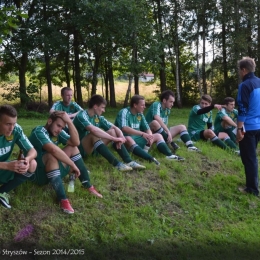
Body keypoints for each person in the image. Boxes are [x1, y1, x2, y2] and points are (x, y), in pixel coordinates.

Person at [29, 111, 102, 215]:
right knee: (51, 156)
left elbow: (76, 142)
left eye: (62, 127)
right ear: (49, 121)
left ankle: (88, 186)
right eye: (58, 125)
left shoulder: (57, 132)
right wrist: (72, 164)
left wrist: (69, 122)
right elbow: (54, 150)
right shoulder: (39, 132)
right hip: (36, 174)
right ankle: (62, 199)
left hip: (51, 171)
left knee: (73, 148)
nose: (59, 130)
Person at [73, 95, 145, 171]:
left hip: (91, 148)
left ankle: (129, 161)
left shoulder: (97, 117)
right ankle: (117, 164)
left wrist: (121, 136)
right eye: (102, 107)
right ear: (95, 106)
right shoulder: (81, 116)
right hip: (79, 150)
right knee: (93, 134)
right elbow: (94, 130)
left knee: (112, 131)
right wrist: (114, 139)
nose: (104, 110)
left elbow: (115, 127)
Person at [115, 95, 184, 162]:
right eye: (142, 105)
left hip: (137, 138)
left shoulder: (140, 114)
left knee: (158, 135)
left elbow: (147, 128)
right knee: (129, 138)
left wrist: (150, 137)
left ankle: (169, 155)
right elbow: (124, 128)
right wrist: (142, 134)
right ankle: (146, 156)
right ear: (135, 105)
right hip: (125, 139)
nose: (144, 107)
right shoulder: (124, 112)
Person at [0, 105, 37, 209]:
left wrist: (27, 159)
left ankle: (2, 192)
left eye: (14, 123)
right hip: (4, 166)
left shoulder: (16, 129)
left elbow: (32, 151)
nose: (11, 128)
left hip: (3, 168)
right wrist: (6, 166)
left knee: (32, 164)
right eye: (8, 124)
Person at [236, 57, 260, 196]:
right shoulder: (259, 82)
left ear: (244, 70)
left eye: (240, 70)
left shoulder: (245, 85)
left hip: (248, 128)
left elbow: (243, 109)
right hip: (258, 127)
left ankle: (252, 189)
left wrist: (239, 129)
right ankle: (252, 183)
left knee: (249, 158)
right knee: (252, 157)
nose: (240, 73)